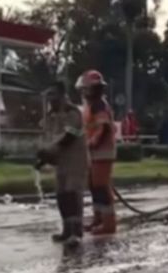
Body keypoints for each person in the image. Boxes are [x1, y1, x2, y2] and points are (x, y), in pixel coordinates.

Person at [35, 81, 89, 247]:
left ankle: (76, 232)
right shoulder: (50, 116)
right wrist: (43, 158)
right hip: (61, 162)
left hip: (76, 161)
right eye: (48, 95)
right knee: (62, 196)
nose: (50, 98)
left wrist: (50, 149)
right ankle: (66, 230)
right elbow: (50, 138)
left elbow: (69, 137)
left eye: (53, 94)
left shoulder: (73, 113)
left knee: (73, 194)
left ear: (62, 95)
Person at [76, 70, 117, 235]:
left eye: (86, 89)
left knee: (101, 187)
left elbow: (103, 129)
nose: (84, 92)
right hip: (94, 152)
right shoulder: (92, 105)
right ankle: (98, 219)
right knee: (94, 187)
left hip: (102, 152)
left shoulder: (99, 105)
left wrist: (91, 144)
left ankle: (108, 223)